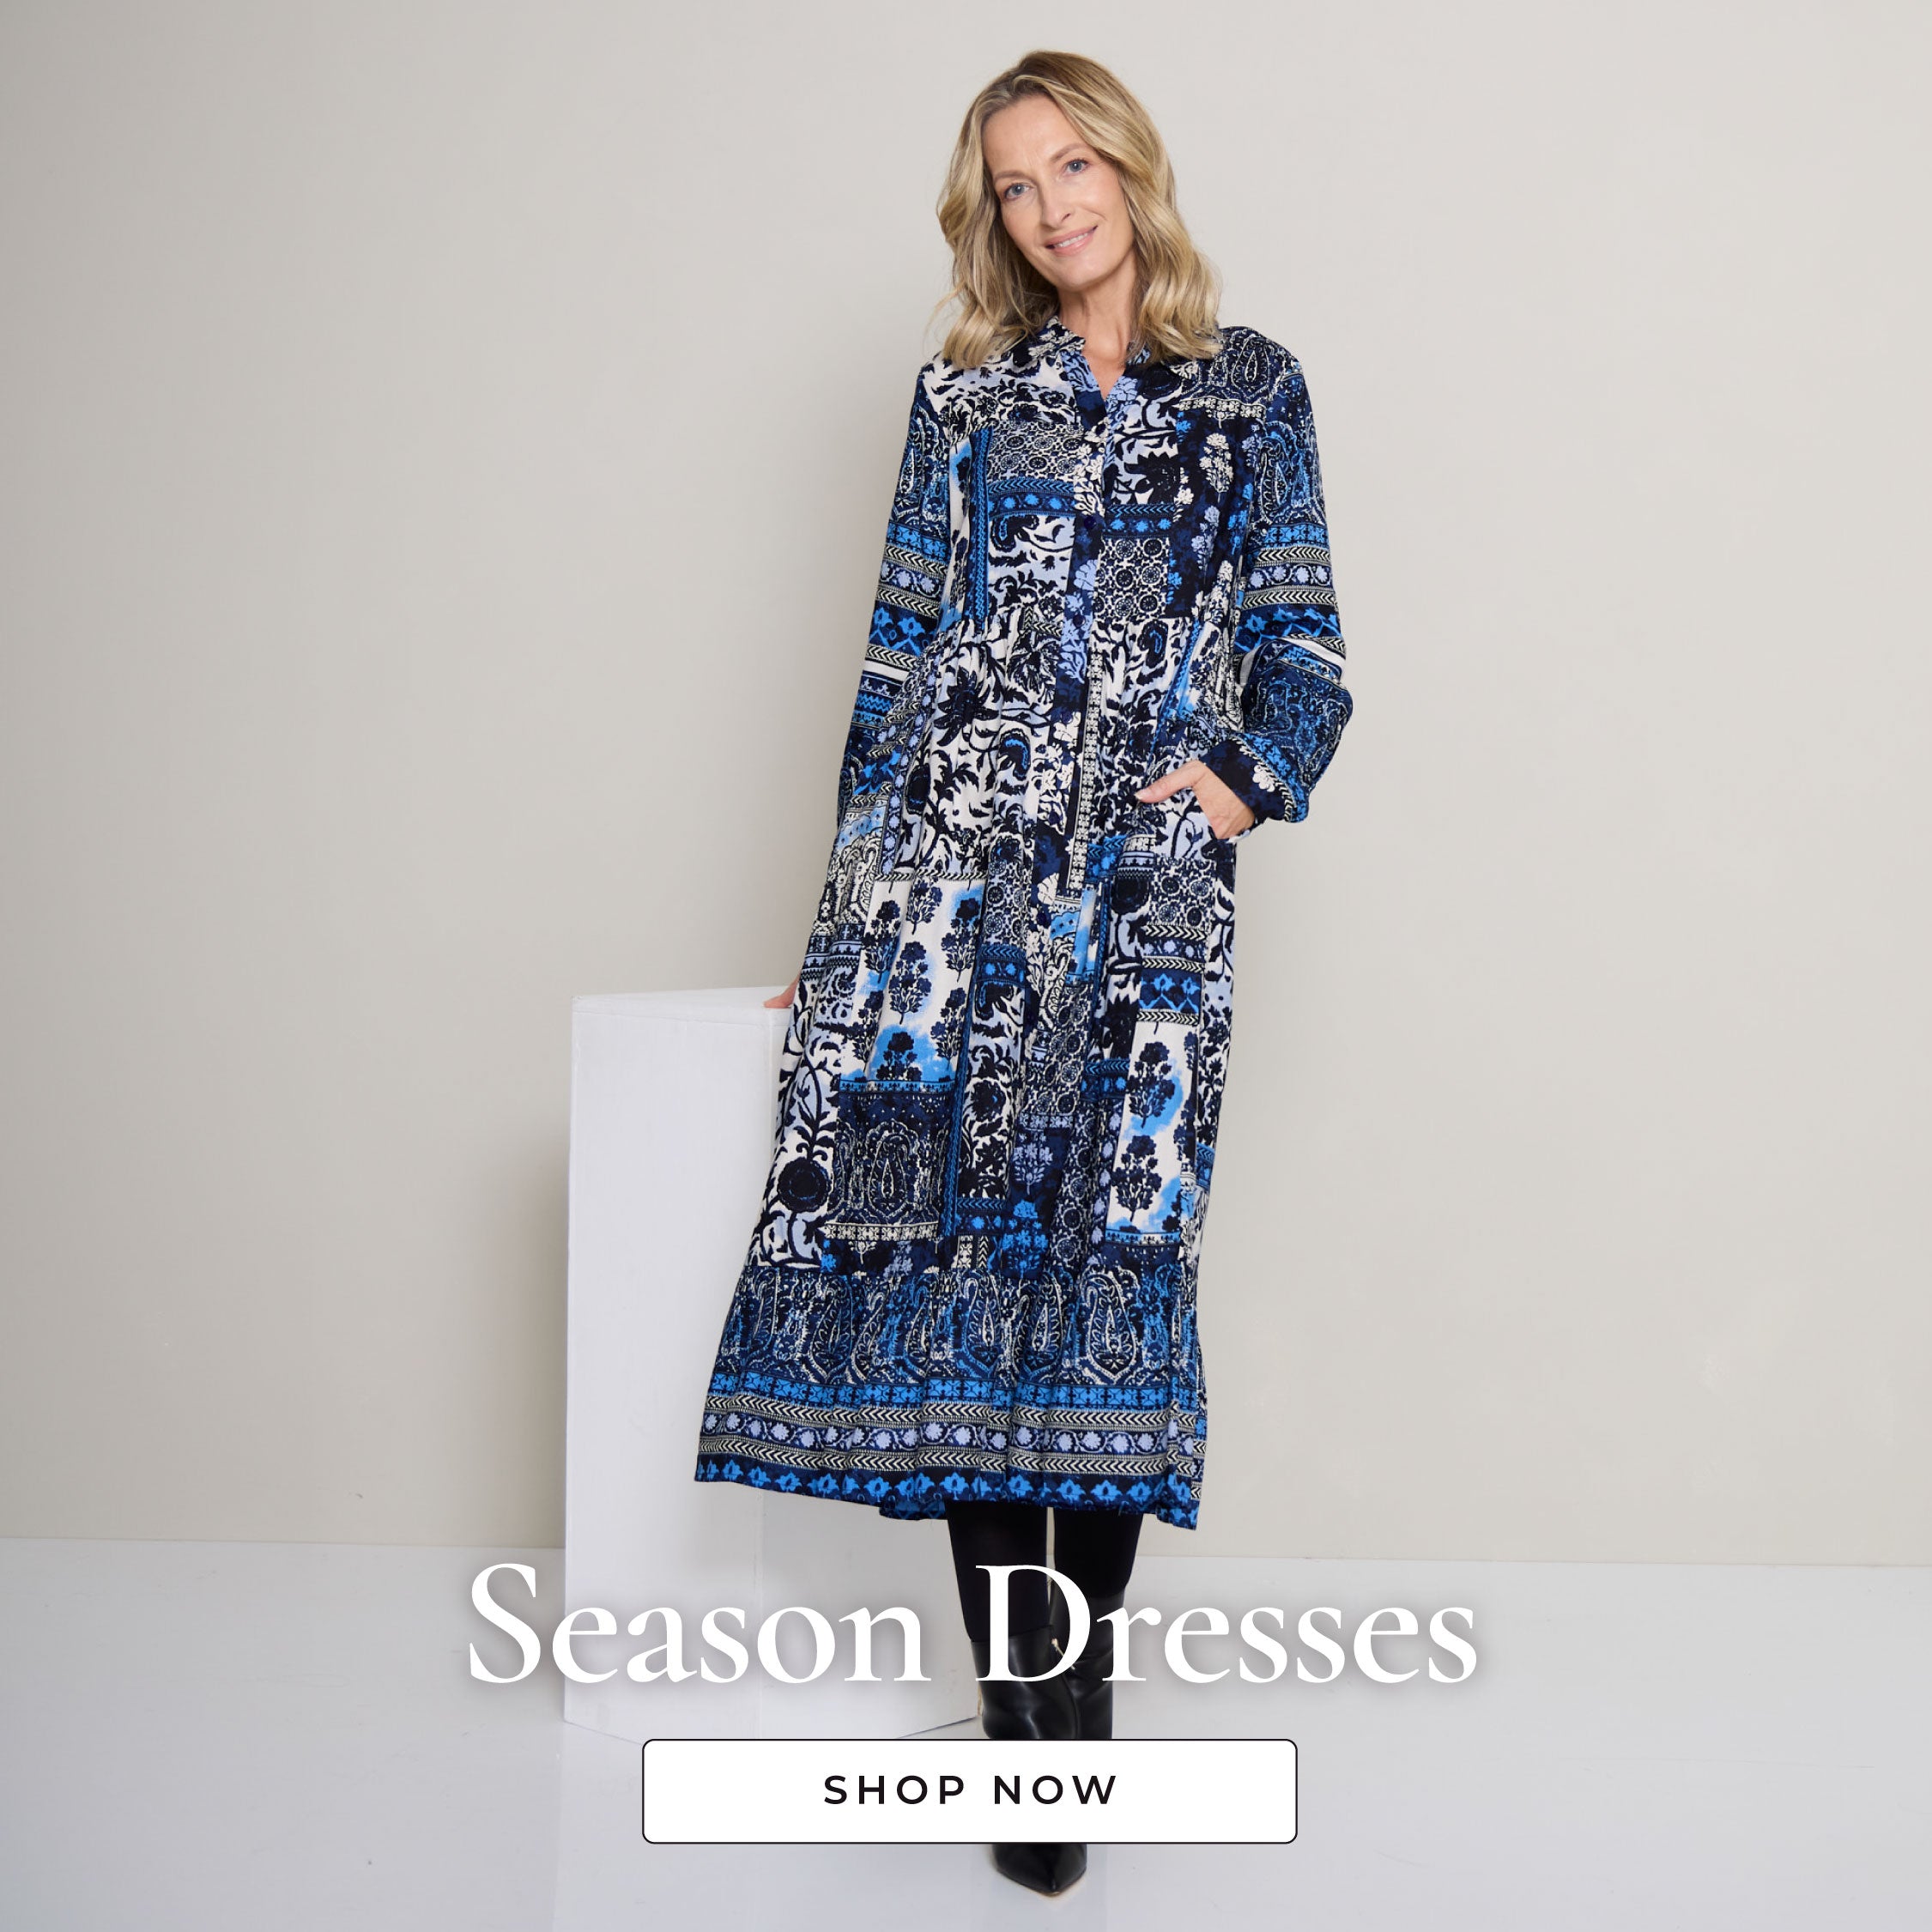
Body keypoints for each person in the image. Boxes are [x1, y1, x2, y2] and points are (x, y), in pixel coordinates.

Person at [693, 48, 1352, 1895]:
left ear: (1129, 167)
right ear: (988, 213)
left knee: (1108, 1298)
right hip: (945, 924)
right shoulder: (962, 399)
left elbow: (1307, 649)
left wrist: (1239, 784)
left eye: (1071, 166)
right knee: (965, 1304)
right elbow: (897, 657)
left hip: (1144, 927)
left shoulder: (1254, 389)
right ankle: (1023, 1728)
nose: (1050, 205)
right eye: (1013, 183)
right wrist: (842, 922)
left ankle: (1083, 1704)